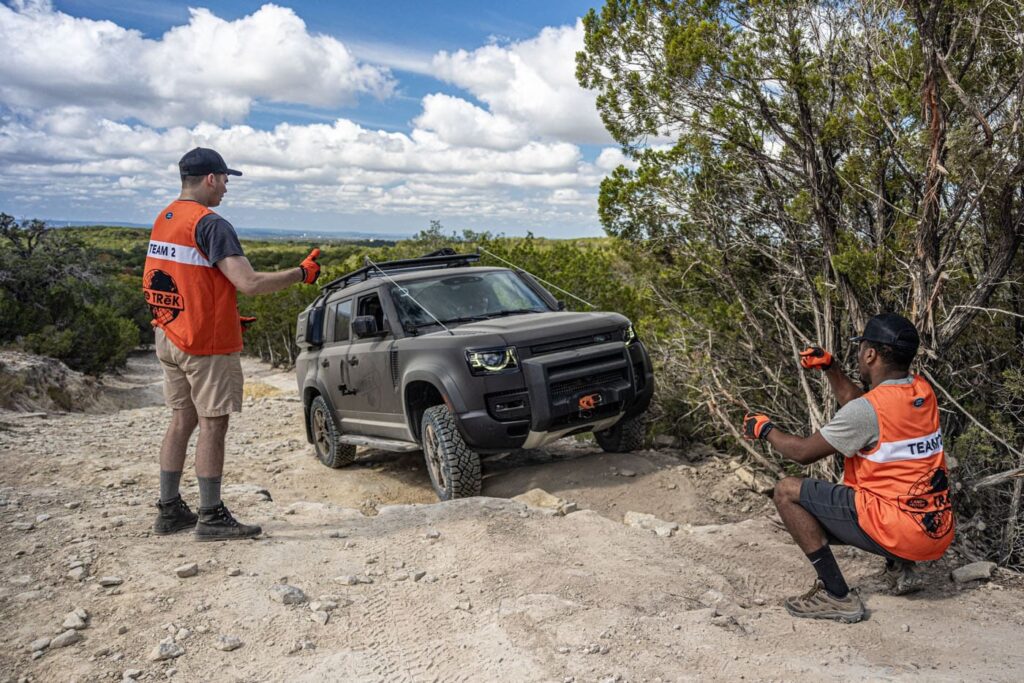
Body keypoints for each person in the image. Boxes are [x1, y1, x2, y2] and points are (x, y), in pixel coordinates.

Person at [143, 147, 321, 541]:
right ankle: (211, 517)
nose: (226, 188)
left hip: (169, 334)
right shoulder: (211, 223)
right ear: (210, 178)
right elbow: (250, 283)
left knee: (181, 420)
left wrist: (220, 313)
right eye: (224, 179)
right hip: (203, 345)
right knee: (213, 423)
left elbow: (173, 278)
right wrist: (301, 273)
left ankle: (169, 510)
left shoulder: (166, 218)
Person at [742, 313, 954, 623]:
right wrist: (831, 368)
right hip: (935, 531)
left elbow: (802, 453)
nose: (858, 354)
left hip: (898, 530)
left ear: (870, 354)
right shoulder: (921, 392)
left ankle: (836, 594)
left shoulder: (868, 412)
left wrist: (765, 429)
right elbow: (864, 406)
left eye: (861, 348)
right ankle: (902, 566)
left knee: (787, 492)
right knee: (890, 490)